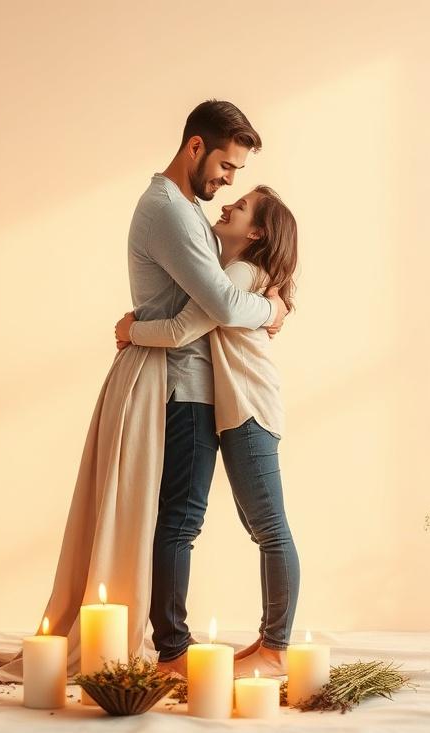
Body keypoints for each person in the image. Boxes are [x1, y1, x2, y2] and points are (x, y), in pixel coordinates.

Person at [0, 99, 286, 684]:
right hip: (181, 385)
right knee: (180, 520)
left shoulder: (187, 209)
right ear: (195, 147)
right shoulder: (169, 211)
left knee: (179, 519)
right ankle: (172, 648)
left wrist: (142, 323)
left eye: (236, 174)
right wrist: (272, 309)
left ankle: (174, 642)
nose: (228, 180)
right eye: (226, 166)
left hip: (190, 381)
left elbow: (205, 304)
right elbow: (218, 306)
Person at [115, 185, 300, 677]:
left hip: (248, 412)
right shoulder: (243, 274)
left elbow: (180, 329)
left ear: (256, 231)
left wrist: (130, 330)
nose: (227, 205)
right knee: (260, 527)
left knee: (270, 528)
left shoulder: (238, 272)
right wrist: (273, 308)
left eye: (239, 207)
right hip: (242, 411)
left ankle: (275, 650)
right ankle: (266, 643)